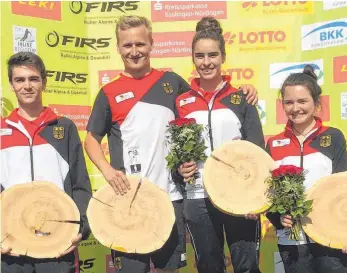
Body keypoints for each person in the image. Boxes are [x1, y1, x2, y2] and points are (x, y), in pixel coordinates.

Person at [84, 15, 258, 273]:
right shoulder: (108, 92)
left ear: (152, 44)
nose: (134, 51)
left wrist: (243, 90)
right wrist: (109, 173)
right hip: (127, 200)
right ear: (118, 48)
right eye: (127, 45)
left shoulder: (172, 83)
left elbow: (207, 96)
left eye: (140, 44)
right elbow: (90, 140)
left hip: (171, 198)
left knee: (170, 270)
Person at [175, 17, 264, 273]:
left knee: (246, 267)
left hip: (239, 193)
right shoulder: (181, 101)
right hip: (198, 196)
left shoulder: (241, 98)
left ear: (223, 56)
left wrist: (254, 197)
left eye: (213, 55)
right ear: (192, 58)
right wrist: (180, 170)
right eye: (200, 56)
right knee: (209, 267)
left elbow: (256, 150)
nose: (206, 62)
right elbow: (174, 153)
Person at [0, 52, 92, 273]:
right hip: (13, 244)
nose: (27, 86)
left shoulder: (65, 128)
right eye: (20, 80)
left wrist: (81, 227)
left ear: (44, 82)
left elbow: (80, 183)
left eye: (33, 79)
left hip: (57, 243)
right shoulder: (2, 131)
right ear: (12, 85)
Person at [266, 65, 347, 273]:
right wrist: (278, 217)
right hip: (292, 241)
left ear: (316, 102)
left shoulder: (334, 138)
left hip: (331, 236)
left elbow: (343, 189)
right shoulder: (273, 144)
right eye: (289, 102)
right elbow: (268, 194)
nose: (296, 108)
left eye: (302, 101)